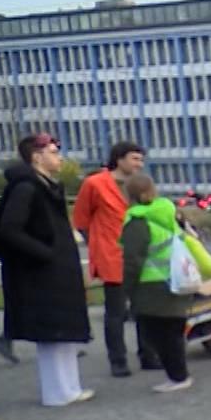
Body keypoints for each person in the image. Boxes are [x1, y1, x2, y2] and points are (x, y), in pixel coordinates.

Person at [0, 133, 94, 407]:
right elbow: (10, 229)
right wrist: (46, 253)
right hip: (42, 273)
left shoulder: (46, 186)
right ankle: (58, 391)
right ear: (37, 157)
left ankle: (69, 387)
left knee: (64, 331)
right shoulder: (26, 188)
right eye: (53, 152)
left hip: (56, 270)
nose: (59, 157)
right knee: (52, 333)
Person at [119, 174, 211, 394]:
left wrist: (126, 289)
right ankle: (179, 374)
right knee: (173, 332)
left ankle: (177, 376)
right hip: (178, 280)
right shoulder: (168, 214)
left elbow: (132, 260)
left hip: (151, 286)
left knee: (157, 334)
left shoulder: (137, 221)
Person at [71, 142, 150, 376]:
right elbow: (81, 219)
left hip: (141, 255)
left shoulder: (140, 184)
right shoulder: (95, 184)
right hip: (111, 254)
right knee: (116, 312)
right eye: (135, 159)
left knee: (144, 309)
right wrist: (97, 243)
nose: (139, 164)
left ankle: (148, 354)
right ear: (119, 159)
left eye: (141, 160)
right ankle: (118, 360)